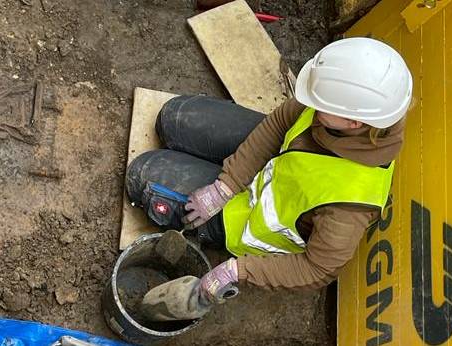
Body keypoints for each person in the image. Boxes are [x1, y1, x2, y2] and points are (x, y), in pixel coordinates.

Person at [125, 37, 412, 305]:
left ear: (354, 124)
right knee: (173, 116)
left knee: (144, 174)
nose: (311, 102)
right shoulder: (336, 104)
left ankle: (211, 227)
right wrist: (226, 184)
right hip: (272, 162)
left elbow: (316, 270)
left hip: (245, 219)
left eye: (320, 104)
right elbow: (279, 123)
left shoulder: (348, 209)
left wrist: (239, 271)